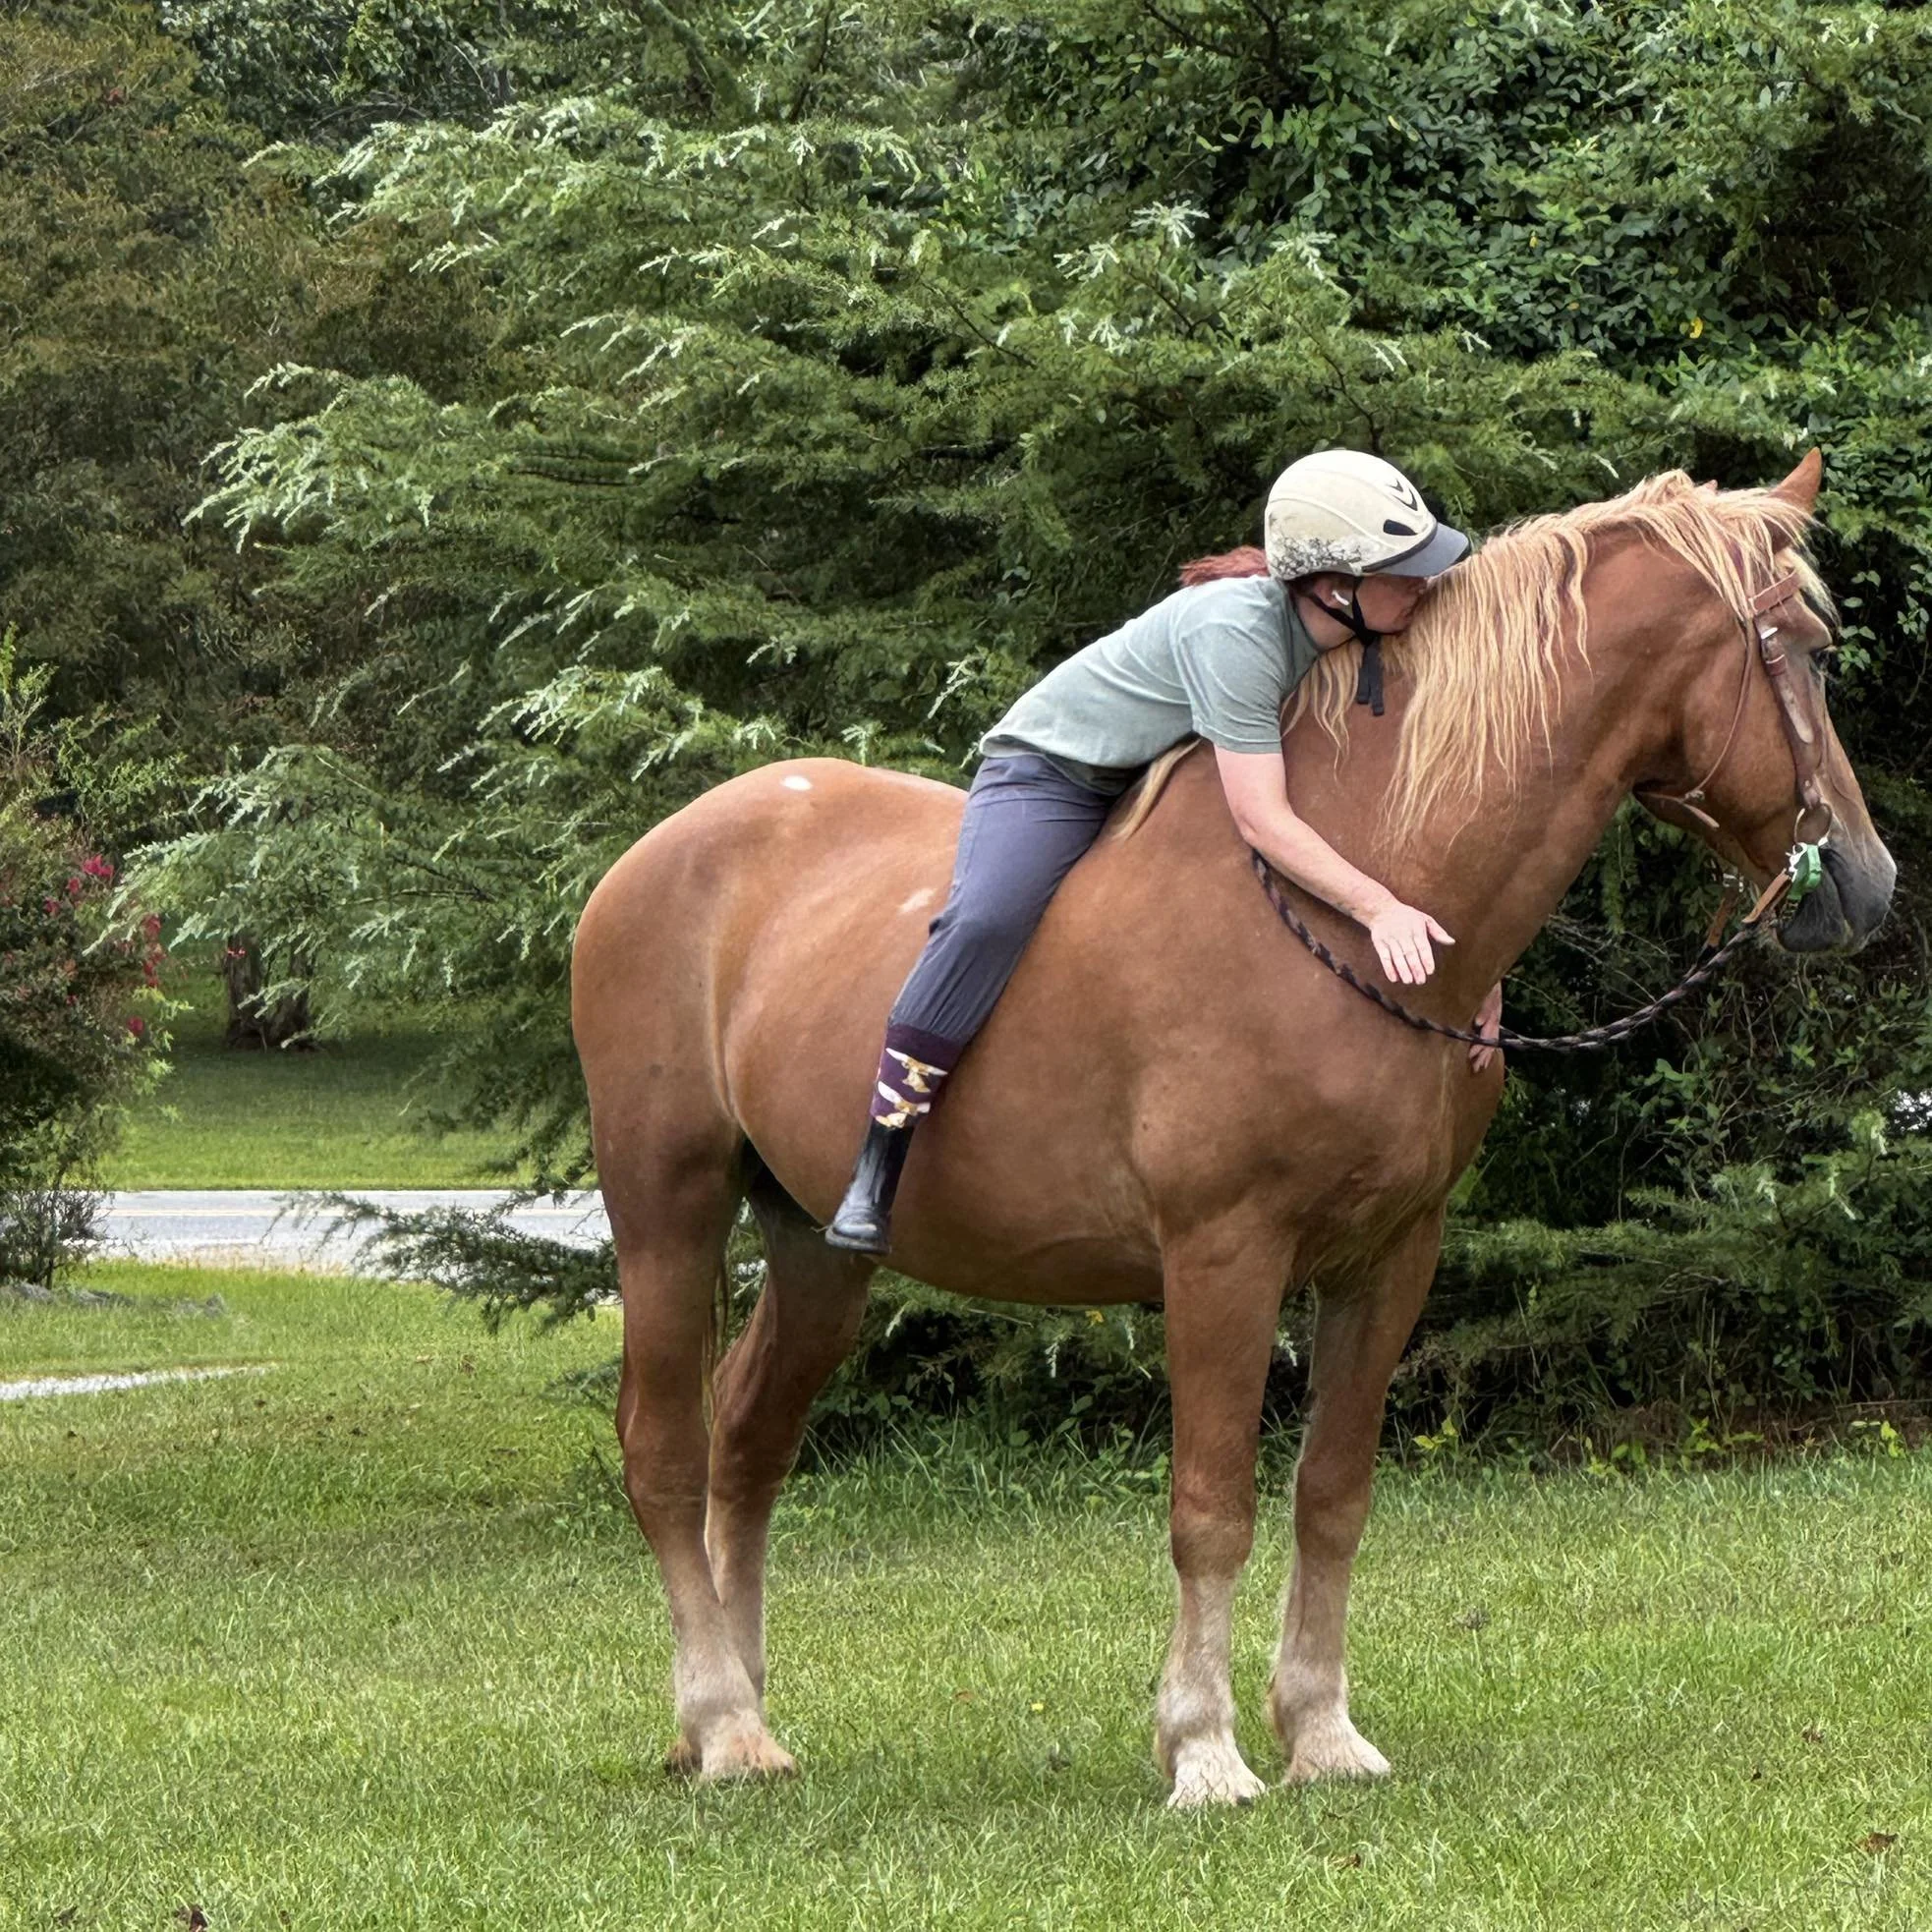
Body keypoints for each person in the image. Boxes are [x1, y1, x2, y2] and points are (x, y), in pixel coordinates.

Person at [825, 448, 1501, 1255]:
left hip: (1158, 772)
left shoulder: (1358, 638)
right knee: (987, 918)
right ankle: (878, 1161)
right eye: (1403, 569)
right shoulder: (1238, 633)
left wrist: (1476, 971)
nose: (1425, 584)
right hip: (1055, 773)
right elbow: (1264, 820)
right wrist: (1377, 907)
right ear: (1334, 587)